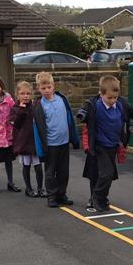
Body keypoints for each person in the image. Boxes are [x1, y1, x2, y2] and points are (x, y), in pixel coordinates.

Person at [76, 75, 133, 212]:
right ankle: (96, 197)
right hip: (99, 145)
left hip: (114, 145)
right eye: (109, 98)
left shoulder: (121, 104)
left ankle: (101, 198)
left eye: (115, 97)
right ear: (101, 94)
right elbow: (84, 111)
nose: (113, 101)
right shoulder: (94, 105)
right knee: (105, 173)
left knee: (108, 175)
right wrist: (82, 115)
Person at [33, 71, 80, 208]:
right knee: (50, 172)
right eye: (43, 88)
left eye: (49, 87)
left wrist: (74, 137)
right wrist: (42, 147)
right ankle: (51, 196)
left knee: (63, 171)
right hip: (50, 144)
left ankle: (61, 194)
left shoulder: (62, 99)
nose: (47, 90)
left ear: (53, 86)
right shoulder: (39, 106)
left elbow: (70, 119)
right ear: (38, 89)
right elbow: (39, 129)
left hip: (64, 142)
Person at [9, 80, 45, 198]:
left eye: (28, 94)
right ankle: (28, 188)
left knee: (38, 167)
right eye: (23, 93)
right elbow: (16, 124)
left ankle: (40, 188)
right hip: (23, 143)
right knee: (26, 166)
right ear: (17, 95)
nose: (25, 96)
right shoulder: (15, 108)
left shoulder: (35, 106)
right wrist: (21, 110)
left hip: (34, 142)